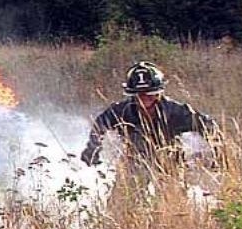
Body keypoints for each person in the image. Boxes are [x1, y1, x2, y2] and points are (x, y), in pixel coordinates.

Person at [80, 61, 221, 186]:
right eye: (140, 95)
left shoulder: (176, 111)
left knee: (172, 199)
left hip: (169, 162)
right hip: (134, 161)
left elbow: (207, 125)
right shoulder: (121, 111)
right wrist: (92, 148)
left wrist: (218, 153)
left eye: (150, 94)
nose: (145, 99)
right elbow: (100, 124)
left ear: (159, 92)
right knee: (123, 199)